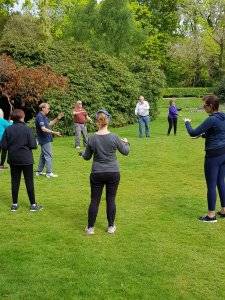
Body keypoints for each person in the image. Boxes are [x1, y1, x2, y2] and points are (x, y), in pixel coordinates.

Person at [80, 110, 130, 235]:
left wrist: (82, 154)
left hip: (97, 172)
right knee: (111, 199)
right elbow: (126, 151)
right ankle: (111, 227)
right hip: (113, 172)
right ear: (108, 121)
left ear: (97, 122)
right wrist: (127, 143)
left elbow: (86, 157)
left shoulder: (92, 138)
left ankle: (90, 228)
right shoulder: (114, 137)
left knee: (95, 200)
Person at [184, 94, 225, 223]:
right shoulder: (222, 117)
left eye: (205, 105)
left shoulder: (211, 119)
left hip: (213, 155)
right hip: (223, 153)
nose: (203, 107)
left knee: (211, 185)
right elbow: (217, 131)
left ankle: (211, 215)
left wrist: (187, 123)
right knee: (221, 182)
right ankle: (224, 211)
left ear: (211, 106)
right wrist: (203, 136)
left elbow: (192, 132)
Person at [1, 109, 42, 212]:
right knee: (29, 181)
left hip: (14, 159)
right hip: (26, 159)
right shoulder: (27, 129)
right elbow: (33, 145)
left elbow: (3, 146)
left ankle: (14, 204)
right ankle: (33, 205)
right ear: (22, 117)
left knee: (15, 181)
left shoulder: (8, 129)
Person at [35, 103, 64, 178]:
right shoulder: (39, 117)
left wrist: (58, 118)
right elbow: (43, 128)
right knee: (48, 155)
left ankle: (39, 171)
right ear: (43, 108)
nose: (49, 110)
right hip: (44, 139)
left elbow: (49, 124)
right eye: (48, 108)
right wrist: (54, 132)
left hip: (45, 138)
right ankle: (49, 173)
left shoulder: (44, 116)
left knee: (43, 156)